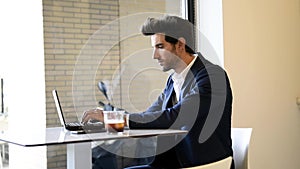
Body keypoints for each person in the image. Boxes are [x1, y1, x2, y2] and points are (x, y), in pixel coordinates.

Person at [82, 15, 234, 169]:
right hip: (172, 164)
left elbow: (176, 116)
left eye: (160, 47)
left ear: (180, 44)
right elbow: (149, 116)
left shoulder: (213, 76)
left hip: (203, 165)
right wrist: (106, 122)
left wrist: (110, 119)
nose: (154, 55)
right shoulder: (173, 80)